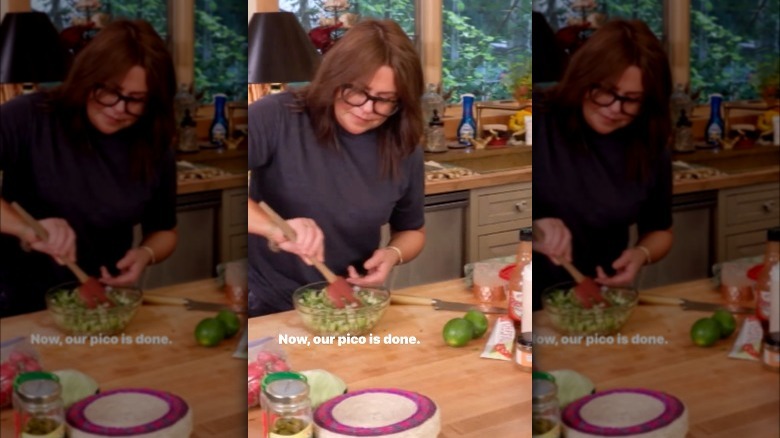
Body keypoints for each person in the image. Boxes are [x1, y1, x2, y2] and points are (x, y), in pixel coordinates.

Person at [247, 19, 426, 316]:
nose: (367, 108)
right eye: (357, 91)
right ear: (334, 77)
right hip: (266, 303)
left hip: (348, 306)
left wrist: (392, 255)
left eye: (385, 100)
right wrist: (274, 228)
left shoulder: (403, 147)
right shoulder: (275, 116)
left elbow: (412, 231)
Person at [0, 20, 178, 317]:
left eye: (136, 100)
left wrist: (145, 254)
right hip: (17, 306)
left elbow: (164, 230)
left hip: (100, 304)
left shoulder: (153, 146)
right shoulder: (28, 117)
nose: (119, 108)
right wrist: (25, 228)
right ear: (87, 76)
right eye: (110, 91)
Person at [532, 19, 674, 309]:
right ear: (584, 77)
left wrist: (641, 254)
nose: (614, 109)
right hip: (527, 302)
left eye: (631, 100)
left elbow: (660, 230)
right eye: (606, 91)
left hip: (597, 303)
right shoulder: (539, 120)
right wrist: (533, 227)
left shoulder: (648, 140)